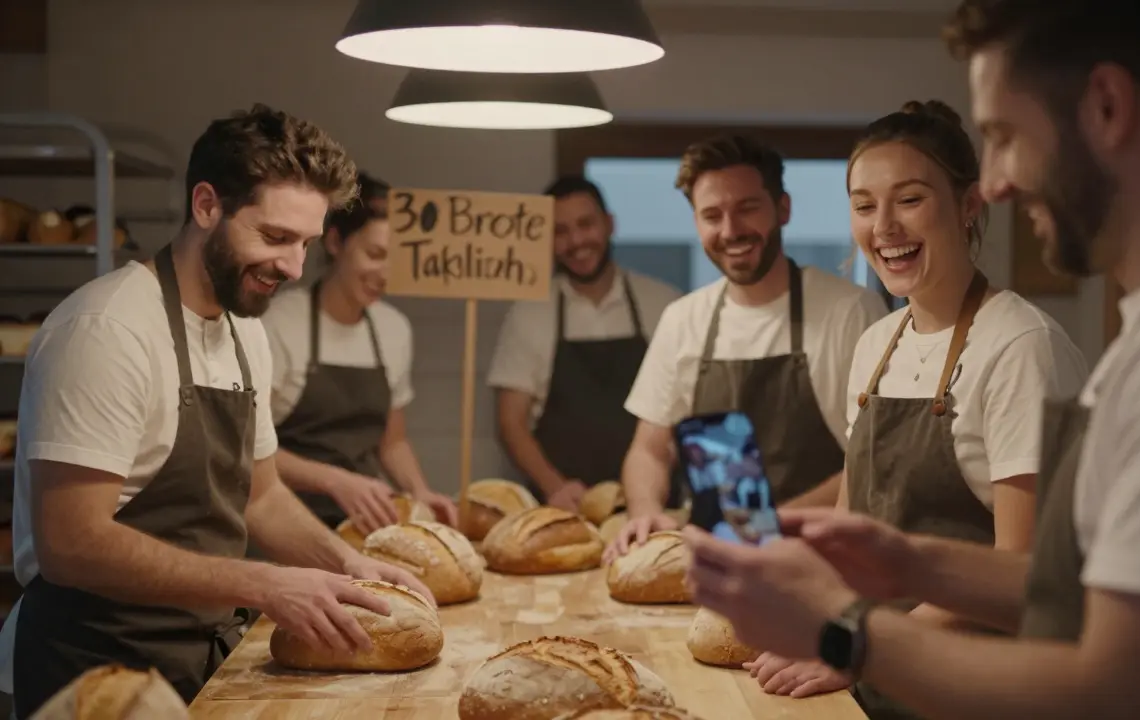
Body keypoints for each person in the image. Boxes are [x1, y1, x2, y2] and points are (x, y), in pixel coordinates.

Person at [681, 2, 1140, 718]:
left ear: (1108, 106)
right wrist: (912, 563)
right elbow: (1077, 589)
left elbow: (1126, 688)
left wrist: (848, 636)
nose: (994, 182)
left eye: (1004, 136)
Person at [0, 105, 432, 718]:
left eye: (306, 243)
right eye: (275, 238)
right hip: (94, 669)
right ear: (206, 206)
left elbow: (263, 496)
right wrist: (263, 582)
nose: (295, 267)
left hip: (198, 656)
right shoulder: (106, 330)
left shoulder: (243, 330)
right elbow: (71, 543)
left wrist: (351, 566)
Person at [745, 101, 1089, 708]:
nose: (884, 227)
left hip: (976, 688)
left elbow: (1024, 570)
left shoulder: (1021, 346)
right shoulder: (878, 343)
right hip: (878, 679)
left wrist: (856, 646)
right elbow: (851, 523)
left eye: (909, 200)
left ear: (968, 205)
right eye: (863, 206)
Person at [605, 134, 889, 563]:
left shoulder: (850, 312)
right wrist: (645, 512)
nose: (730, 230)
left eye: (747, 208)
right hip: (713, 561)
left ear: (782, 208)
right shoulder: (683, 320)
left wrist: (765, 528)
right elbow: (650, 449)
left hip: (822, 556)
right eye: (712, 215)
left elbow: (873, 459)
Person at [263, 171, 458, 535]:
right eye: (375, 254)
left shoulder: (393, 329)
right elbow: (246, 448)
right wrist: (335, 481)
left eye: (397, 259)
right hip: (283, 521)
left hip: (365, 523)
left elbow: (392, 442)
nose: (386, 274)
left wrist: (419, 491)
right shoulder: (280, 325)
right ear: (335, 242)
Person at [487, 175, 682, 510]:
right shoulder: (529, 314)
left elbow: (687, 408)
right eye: (560, 231)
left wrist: (651, 487)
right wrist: (555, 487)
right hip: (561, 510)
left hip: (655, 507)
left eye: (585, 224)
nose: (576, 241)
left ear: (609, 224)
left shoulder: (664, 304)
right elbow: (510, 423)